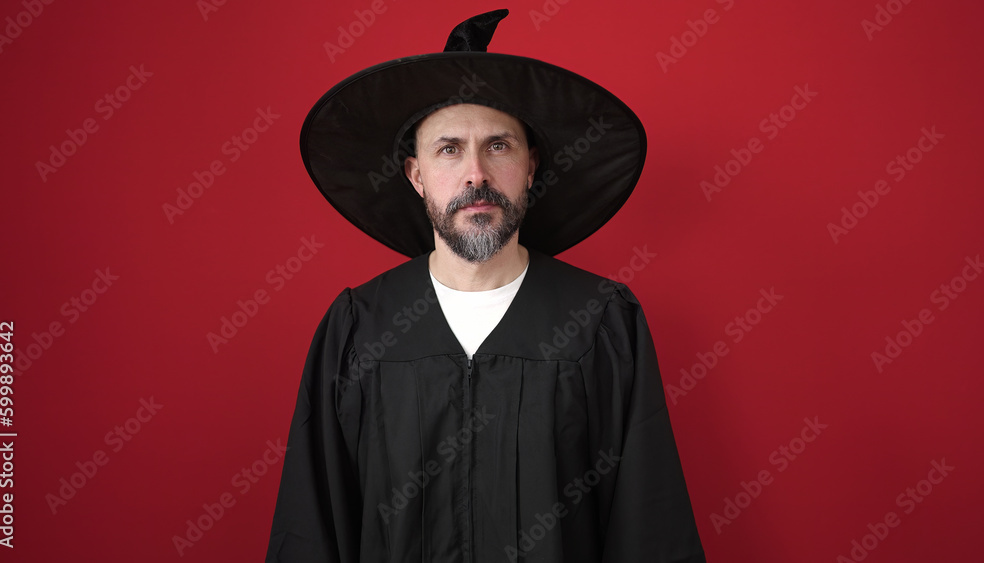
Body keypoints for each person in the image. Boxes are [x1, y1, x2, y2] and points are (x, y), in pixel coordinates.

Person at [266, 9, 706, 562]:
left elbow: (648, 524)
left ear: (530, 166)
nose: (475, 173)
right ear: (416, 174)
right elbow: (312, 526)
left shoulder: (599, 323)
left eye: (498, 146)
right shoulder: (360, 329)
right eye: (449, 149)